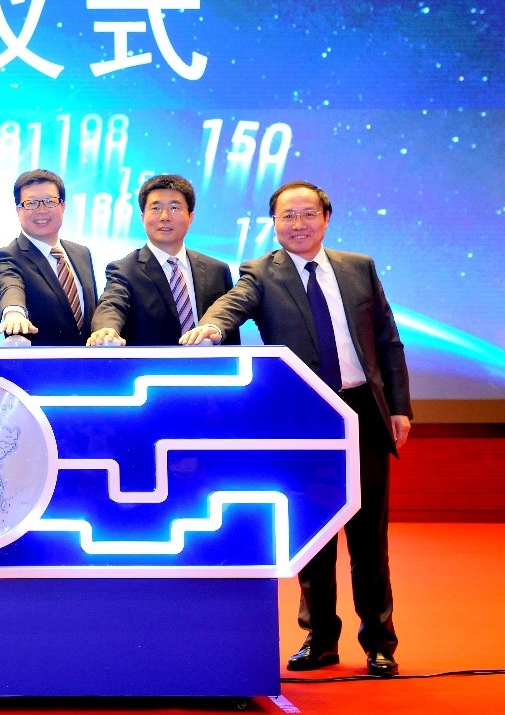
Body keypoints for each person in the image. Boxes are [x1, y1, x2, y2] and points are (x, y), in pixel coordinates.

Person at [180, 179, 412, 678]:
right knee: (313, 533)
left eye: (308, 214)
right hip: (303, 419)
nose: (298, 224)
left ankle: (379, 642)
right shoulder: (261, 272)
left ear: (326, 218)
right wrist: (213, 327)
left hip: (362, 414)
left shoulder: (360, 268)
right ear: (274, 223)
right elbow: (233, 305)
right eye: (288, 216)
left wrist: (399, 407)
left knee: (369, 539)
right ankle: (320, 638)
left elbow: (388, 341)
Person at [87, 173, 240, 346]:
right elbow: (112, 304)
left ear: (190, 217)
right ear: (142, 217)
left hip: (211, 363)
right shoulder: (124, 270)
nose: (165, 216)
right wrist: (105, 329)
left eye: (174, 208)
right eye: (156, 208)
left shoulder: (217, 270)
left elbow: (229, 328)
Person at [0, 169, 98, 346]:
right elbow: (9, 285)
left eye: (50, 201)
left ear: (63, 206)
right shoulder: (7, 256)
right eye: (31, 203)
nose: (41, 210)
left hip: (90, 361)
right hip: (42, 362)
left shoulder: (81, 253)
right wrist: (14, 312)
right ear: (18, 210)